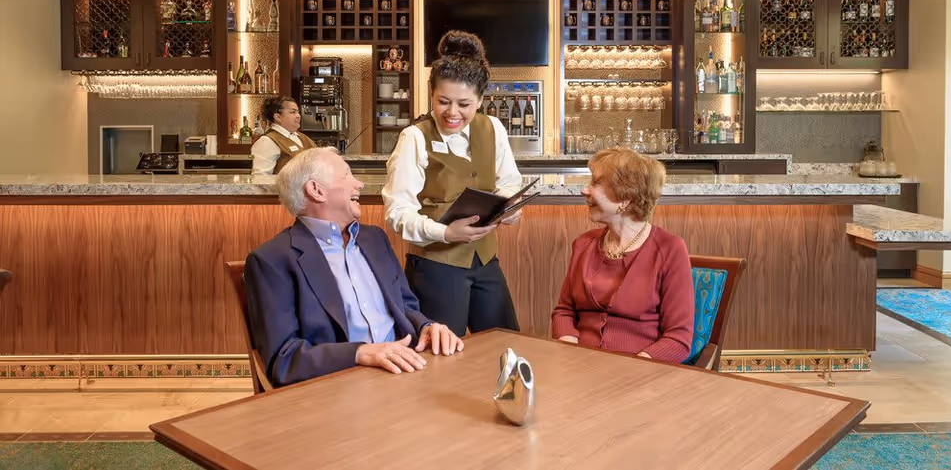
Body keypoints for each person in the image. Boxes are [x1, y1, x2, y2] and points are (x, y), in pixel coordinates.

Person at [245, 147, 464, 388]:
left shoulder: (375, 239)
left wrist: (427, 326)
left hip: (407, 371)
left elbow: (405, 306)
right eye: (347, 176)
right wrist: (360, 353)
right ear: (317, 190)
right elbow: (283, 361)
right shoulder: (271, 260)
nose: (358, 184)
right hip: (341, 388)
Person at [382, 31, 524, 337]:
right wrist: (445, 232)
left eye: (464, 104)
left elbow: (509, 183)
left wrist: (509, 208)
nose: (452, 113)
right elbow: (398, 213)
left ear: (481, 101)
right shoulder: (414, 138)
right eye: (443, 101)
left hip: (484, 259)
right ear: (431, 93)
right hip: (435, 266)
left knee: (505, 343)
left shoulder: (493, 128)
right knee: (441, 358)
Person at [551, 148, 695, 363]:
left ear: (625, 198)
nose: (584, 191)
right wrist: (570, 351)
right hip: (579, 367)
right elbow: (564, 311)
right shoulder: (583, 244)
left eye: (596, 183)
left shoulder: (670, 249)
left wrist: (634, 369)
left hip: (641, 373)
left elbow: (678, 338)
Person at [251, 96, 316, 175]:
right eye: (293, 112)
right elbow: (260, 179)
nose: (298, 116)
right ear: (278, 117)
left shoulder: (302, 137)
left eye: (298, 112)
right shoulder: (266, 142)